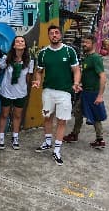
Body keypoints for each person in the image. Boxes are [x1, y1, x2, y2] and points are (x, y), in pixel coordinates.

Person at [31, 25, 82, 166]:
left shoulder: (69, 51)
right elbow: (39, 71)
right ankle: (47, 142)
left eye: (56, 33)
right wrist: (37, 80)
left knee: (62, 121)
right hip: (48, 92)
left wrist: (76, 82)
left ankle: (57, 150)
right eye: (51, 33)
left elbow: (76, 70)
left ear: (60, 35)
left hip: (65, 93)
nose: (54, 35)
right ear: (49, 36)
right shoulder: (43, 53)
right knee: (47, 117)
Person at [63, 35, 107, 148]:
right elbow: (85, 73)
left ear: (93, 44)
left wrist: (100, 95)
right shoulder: (87, 57)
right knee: (77, 112)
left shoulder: (96, 58)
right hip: (85, 92)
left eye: (87, 43)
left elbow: (102, 76)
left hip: (93, 93)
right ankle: (74, 134)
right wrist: (80, 84)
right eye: (84, 42)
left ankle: (100, 139)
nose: (84, 44)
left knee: (95, 115)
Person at [0, 35, 34, 150]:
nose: (19, 42)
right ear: (14, 45)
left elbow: (28, 78)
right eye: (17, 41)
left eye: (22, 41)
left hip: (20, 93)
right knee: (4, 114)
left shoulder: (29, 61)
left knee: (17, 116)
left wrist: (30, 87)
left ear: (25, 45)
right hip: (7, 92)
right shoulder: (7, 59)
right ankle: (1, 137)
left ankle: (15, 137)